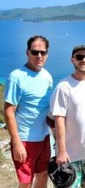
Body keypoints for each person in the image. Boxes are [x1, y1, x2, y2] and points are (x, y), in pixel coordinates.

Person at [50, 44, 85, 188]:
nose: (83, 60)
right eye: (79, 57)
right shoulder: (63, 86)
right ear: (72, 60)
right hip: (69, 156)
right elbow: (58, 118)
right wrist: (61, 152)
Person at [4, 35, 52, 188]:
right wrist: (17, 142)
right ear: (27, 53)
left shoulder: (47, 76)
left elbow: (47, 108)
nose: (39, 56)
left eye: (43, 52)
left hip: (44, 137)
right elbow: (9, 111)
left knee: (43, 176)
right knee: (25, 182)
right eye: (35, 52)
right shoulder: (16, 77)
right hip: (25, 139)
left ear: (47, 54)